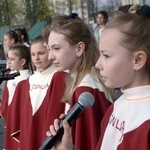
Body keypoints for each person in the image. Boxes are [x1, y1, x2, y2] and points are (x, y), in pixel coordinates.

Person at [48, 13, 150, 150]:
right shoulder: (117, 106)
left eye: (106, 56)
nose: (97, 64)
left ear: (138, 60)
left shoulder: (146, 119)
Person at [47, 17, 113, 150]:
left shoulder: (84, 92)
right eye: (49, 49)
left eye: (56, 48)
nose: (50, 56)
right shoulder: (87, 80)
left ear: (79, 48)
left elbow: (88, 143)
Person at [11, 36, 66, 150]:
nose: (36, 58)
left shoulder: (59, 76)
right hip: (29, 132)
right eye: (33, 54)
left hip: (49, 133)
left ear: (50, 52)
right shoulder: (28, 81)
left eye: (41, 53)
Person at [0, 44, 33, 149]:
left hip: (20, 116)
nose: (8, 62)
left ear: (22, 62)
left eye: (12, 59)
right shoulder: (12, 73)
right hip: (12, 113)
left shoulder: (26, 78)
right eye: (8, 58)